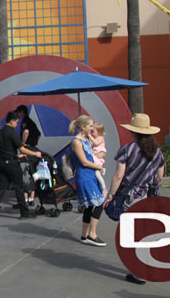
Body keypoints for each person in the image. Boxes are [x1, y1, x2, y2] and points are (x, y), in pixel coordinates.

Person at [103, 113, 165, 286]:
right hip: (151, 197)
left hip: (132, 198)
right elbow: (160, 175)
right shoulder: (157, 151)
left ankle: (139, 273)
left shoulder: (127, 149)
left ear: (134, 132)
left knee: (134, 236)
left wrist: (111, 196)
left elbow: (118, 175)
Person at [0, 111, 41, 222]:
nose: (17, 124)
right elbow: (22, 148)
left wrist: (16, 156)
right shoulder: (12, 132)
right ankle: (24, 212)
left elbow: (7, 148)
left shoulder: (0, 133)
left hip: (2, 162)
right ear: (12, 121)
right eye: (17, 122)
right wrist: (35, 153)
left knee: (1, 187)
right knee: (19, 187)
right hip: (12, 164)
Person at [69, 115, 106, 247]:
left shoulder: (84, 139)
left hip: (89, 175)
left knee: (90, 206)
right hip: (84, 176)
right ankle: (92, 234)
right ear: (83, 127)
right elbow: (84, 162)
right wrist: (99, 167)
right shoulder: (77, 142)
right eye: (90, 125)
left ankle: (85, 235)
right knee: (100, 203)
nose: (92, 128)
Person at [16, 105, 41, 205]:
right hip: (33, 147)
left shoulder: (25, 121)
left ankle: (25, 199)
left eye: (18, 112)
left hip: (28, 149)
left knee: (25, 172)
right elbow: (39, 134)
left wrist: (23, 143)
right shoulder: (31, 122)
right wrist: (33, 142)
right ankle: (31, 198)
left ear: (21, 112)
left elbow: (26, 131)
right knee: (33, 172)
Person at [90, 122, 108, 197]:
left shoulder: (100, 138)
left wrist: (89, 136)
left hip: (97, 159)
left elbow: (96, 143)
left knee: (97, 173)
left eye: (93, 131)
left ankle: (104, 188)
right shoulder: (94, 138)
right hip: (94, 156)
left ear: (99, 132)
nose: (91, 133)